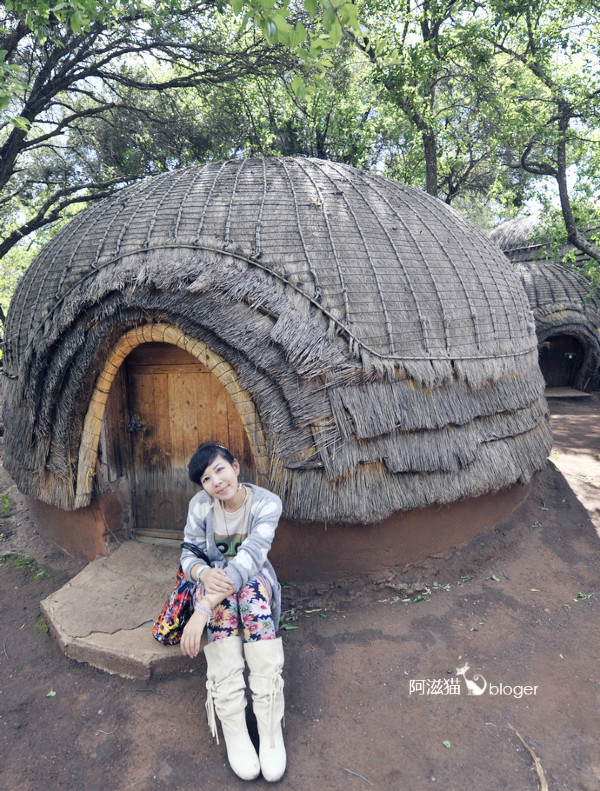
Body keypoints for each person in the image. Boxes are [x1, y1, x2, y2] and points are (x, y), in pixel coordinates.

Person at [179, 441, 286, 783]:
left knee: (250, 597)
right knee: (226, 610)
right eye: (206, 479)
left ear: (236, 467)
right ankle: (235, 725)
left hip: (253, 579)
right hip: (215, 585)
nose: (215, 482)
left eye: (220, 470)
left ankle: (269, 728)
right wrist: (202, 573)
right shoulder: (200, 506)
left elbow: (251, 558)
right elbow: (188, 555)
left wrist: (202, 608)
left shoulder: (266, 503)